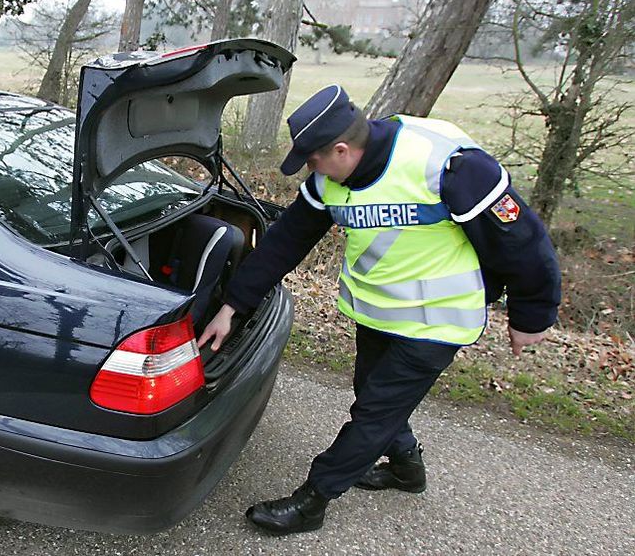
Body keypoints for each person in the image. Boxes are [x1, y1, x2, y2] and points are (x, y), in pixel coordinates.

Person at [197, 84, 561, 535]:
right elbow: (287, 239)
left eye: (313, 161)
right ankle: (406, 468)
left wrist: (533, 315)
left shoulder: (447, 166)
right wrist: (234, 304)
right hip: (380, 313)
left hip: (439, 319)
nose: (311, 171)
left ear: (343, 150)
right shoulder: (330, 180)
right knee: (372, 393)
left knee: (373, 414)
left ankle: (314, 499)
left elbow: (522, 242)